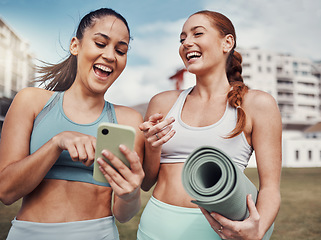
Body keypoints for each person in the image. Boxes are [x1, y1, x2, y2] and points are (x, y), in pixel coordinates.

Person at [0, 8, 144, 240]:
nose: (110, 56)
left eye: (120, 50)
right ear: (75, 46)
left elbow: (124, 215)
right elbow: (6, 191)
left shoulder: (129, 121)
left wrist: (130, 194)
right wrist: (57, 142)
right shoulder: (31, 101)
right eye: (100, 43)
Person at [138, 10, 282, 240]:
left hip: (221, 233)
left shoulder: (257, 104)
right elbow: (146, 182)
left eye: (197, 34)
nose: (187, 43)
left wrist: (258, 229)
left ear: (227, 42)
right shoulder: (162, 102)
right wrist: (153, 148)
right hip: (156, 227)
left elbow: (270, 189)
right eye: (182, 38)